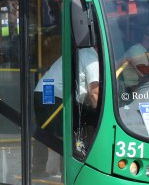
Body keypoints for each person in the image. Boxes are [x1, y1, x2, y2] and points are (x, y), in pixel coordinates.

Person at [32, 48, 99, 178]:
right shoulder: (92, 57)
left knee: (44, 131)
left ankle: (38, 169)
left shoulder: (82, 52)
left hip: (45, 90)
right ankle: (66, 174)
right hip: (54, 93)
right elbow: (94, 92)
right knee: (66, 133)